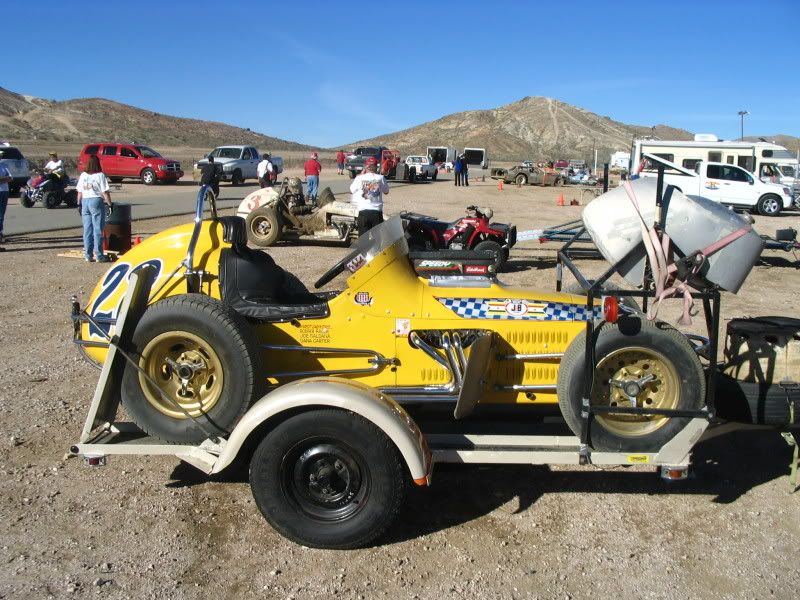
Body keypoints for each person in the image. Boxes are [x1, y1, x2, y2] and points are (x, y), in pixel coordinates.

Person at [76, 155, 112, 263]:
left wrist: (78, 204)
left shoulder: (83, 175)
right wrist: (110, 204)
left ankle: (88, 255)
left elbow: (79, 191)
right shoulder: (100, 175)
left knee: (87, 229)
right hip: (96, 200)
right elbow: (105, 192)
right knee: (97, 229)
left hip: (85, 201)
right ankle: (99, 255)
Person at [350, 156, 388, 235]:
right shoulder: (381, 178)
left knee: (363, 239)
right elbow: (386, 191)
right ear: (376, 166)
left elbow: (351, 190)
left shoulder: (359, 178)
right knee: (377, 238)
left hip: (363, 212)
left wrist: (361, 174)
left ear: (366, 166)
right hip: (376, 212)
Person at [0, 161, 11, 245]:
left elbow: (10, 177)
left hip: (4, 191)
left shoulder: (4, 165)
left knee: (1, 214)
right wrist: (4, 178)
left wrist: (1, 179)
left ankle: (0, 233)